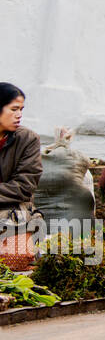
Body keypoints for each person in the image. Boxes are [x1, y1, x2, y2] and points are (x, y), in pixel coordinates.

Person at [0, 83, 42, 241]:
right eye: (14, 109)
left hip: (13, 212)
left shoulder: (28, 139)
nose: (19, 115)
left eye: (21, 109)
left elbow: (25, 186)